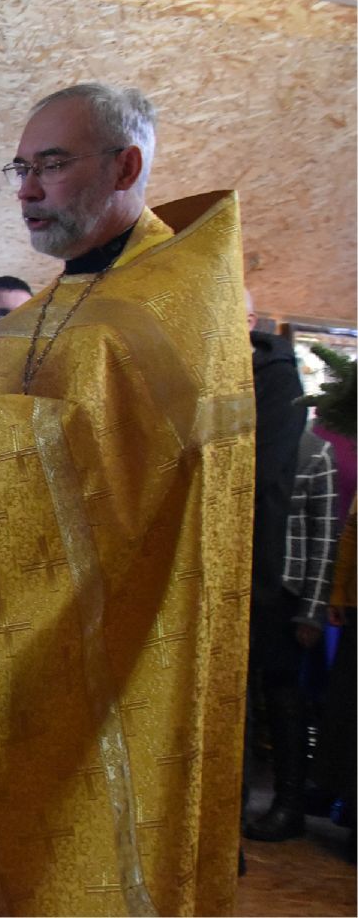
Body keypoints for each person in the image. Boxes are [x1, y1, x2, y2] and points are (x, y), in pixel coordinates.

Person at [0, 83, 252, 914]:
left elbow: (106, 474)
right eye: (20, 168)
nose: (26, 190)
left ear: (125, 166)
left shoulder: (173, 302)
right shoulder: (60, 301)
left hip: (114, 643)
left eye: (51, 166)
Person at [242, 293, 311, 842]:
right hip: (241, 563)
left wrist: (310, 601)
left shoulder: (277, 381)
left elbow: (265, 479)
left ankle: (288, 803)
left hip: (271, 569)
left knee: (277, 688)